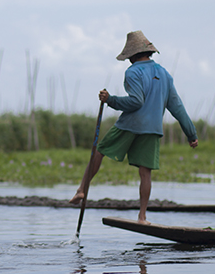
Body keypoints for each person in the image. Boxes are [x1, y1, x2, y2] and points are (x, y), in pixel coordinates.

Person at [70, 31, 198, 224]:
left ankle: (81, 190)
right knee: (145, 172)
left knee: (99, 152)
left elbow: (136, 102)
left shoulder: (133, 72)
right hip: (153, 128)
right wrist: (191, 134)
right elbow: (177, 107)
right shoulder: (164, 74)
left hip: (130, 124)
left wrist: (110, 100)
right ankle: (142, 216)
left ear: (132, 55)